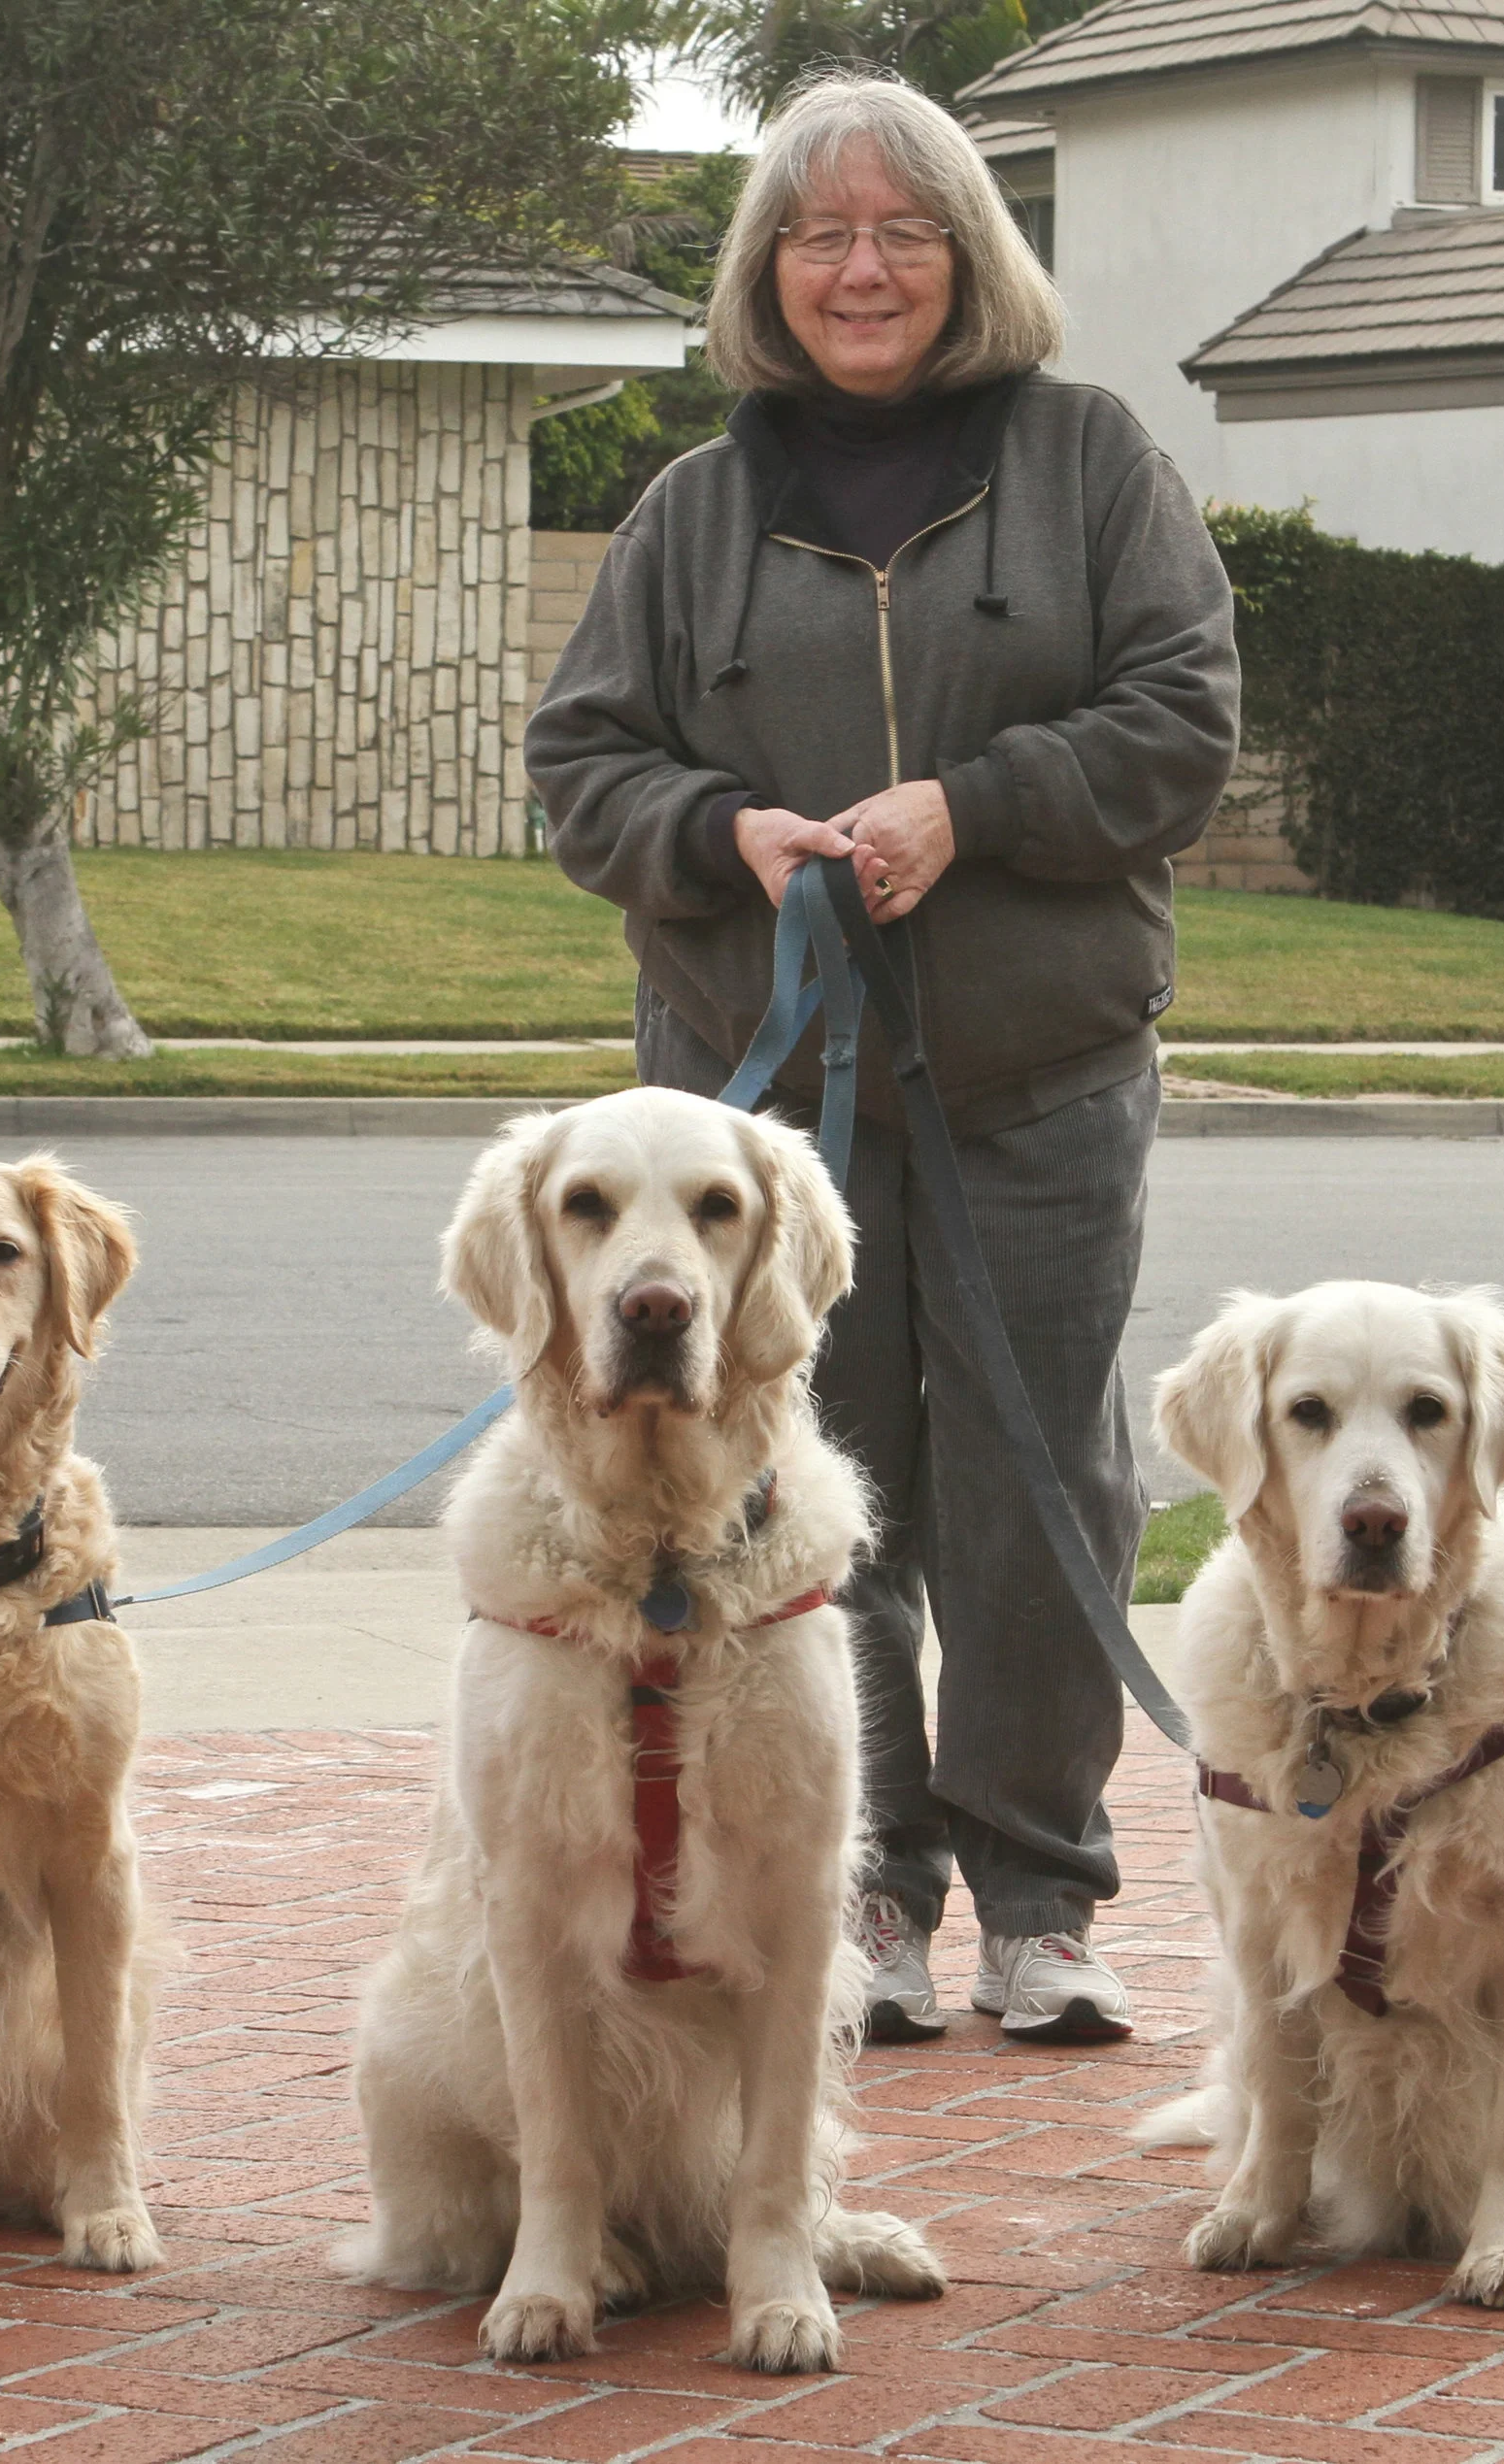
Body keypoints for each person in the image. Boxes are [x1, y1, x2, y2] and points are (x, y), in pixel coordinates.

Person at [525, 70, 1240, 2042]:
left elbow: (1181, 716)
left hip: (1038, 1074)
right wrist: (719, 838)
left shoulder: (1087, 463)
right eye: (821, 235)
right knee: (803, 1482)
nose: (860, 269)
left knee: (1038, 1480)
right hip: (759, 1122)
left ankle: (1037, 1902)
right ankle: (858, 1896)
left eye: (901, 232)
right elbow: (580, 766)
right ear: (768, 269)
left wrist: (977, 806)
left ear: (964, 258)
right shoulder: (693, 506)